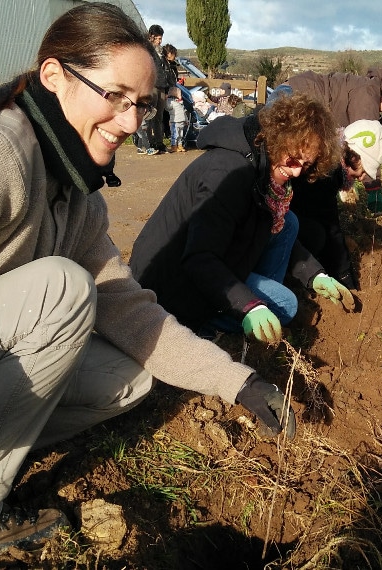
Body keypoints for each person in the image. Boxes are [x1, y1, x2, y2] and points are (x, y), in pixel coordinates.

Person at [0, 2, 294, 555]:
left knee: (126, 378)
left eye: (141, 104)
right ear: (54, 76)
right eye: (114, 96)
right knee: (60, 290)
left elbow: (132, 312)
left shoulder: (74, 195)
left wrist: (238, 382)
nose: (132, 123)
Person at [129, 93, 355, 346]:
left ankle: (252, 310)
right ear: (277, 139)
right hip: (172, 283)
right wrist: (249, 305)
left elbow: (269, 228)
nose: (297, 171)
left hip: (211, 259)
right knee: (286, 304)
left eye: (306, 164)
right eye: (293, 159)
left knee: (287, 222)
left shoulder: (262, 167)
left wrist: (315, 274)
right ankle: (207, 324)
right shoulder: (229, 172)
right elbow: (199, 258)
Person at [268, 69, 382, 286]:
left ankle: (299, 267)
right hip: (292, 99)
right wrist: (372, 187)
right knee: (275, 181)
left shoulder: (369, 92)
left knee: (298, 202)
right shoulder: (368, 96)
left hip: (295, 96)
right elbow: (363, 148)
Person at [291, 120, 382, 290]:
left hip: (289, 209)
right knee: (315, 236)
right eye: (364, 170)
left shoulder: (328, 151)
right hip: (276, 218)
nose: (362, 177)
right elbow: (331, 227)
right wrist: (346, 279)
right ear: (354, 157)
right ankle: (297, 282)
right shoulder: (328, 172)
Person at [146, 24, 170, 153]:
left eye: (161, 38)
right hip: (152, 85)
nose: (160, 41)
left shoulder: (160, 52)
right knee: (150, 114)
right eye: (158, 38)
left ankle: (159, 142)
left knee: (159, 116)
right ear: (151, 37)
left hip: (161, 85)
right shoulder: (147, 50)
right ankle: (150, 142)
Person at [166, 85, 188, 152]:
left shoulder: (181, 103)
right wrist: (166, 100)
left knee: (180, 135)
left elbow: (184, 112)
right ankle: (174, 146)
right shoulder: (170, 102)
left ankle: (180, 145)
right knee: (175, 134)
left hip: (181, 120)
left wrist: (186, 120)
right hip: (175, 121)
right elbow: (167, 107)